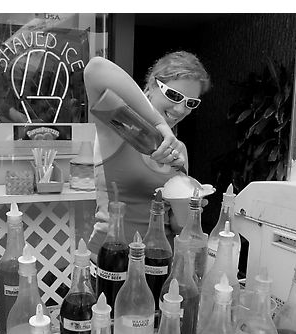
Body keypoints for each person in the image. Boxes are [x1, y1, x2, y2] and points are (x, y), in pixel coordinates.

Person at [84, 51, 211, 271]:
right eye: (174, 95)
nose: (181, 109)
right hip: (110, 261)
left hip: (158, 266)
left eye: (191, 103)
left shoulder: (179, 150)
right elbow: (95, 70)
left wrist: (192, 209)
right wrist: (158, 122)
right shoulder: (118, 126)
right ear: (152, 86)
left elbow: (176, 225)